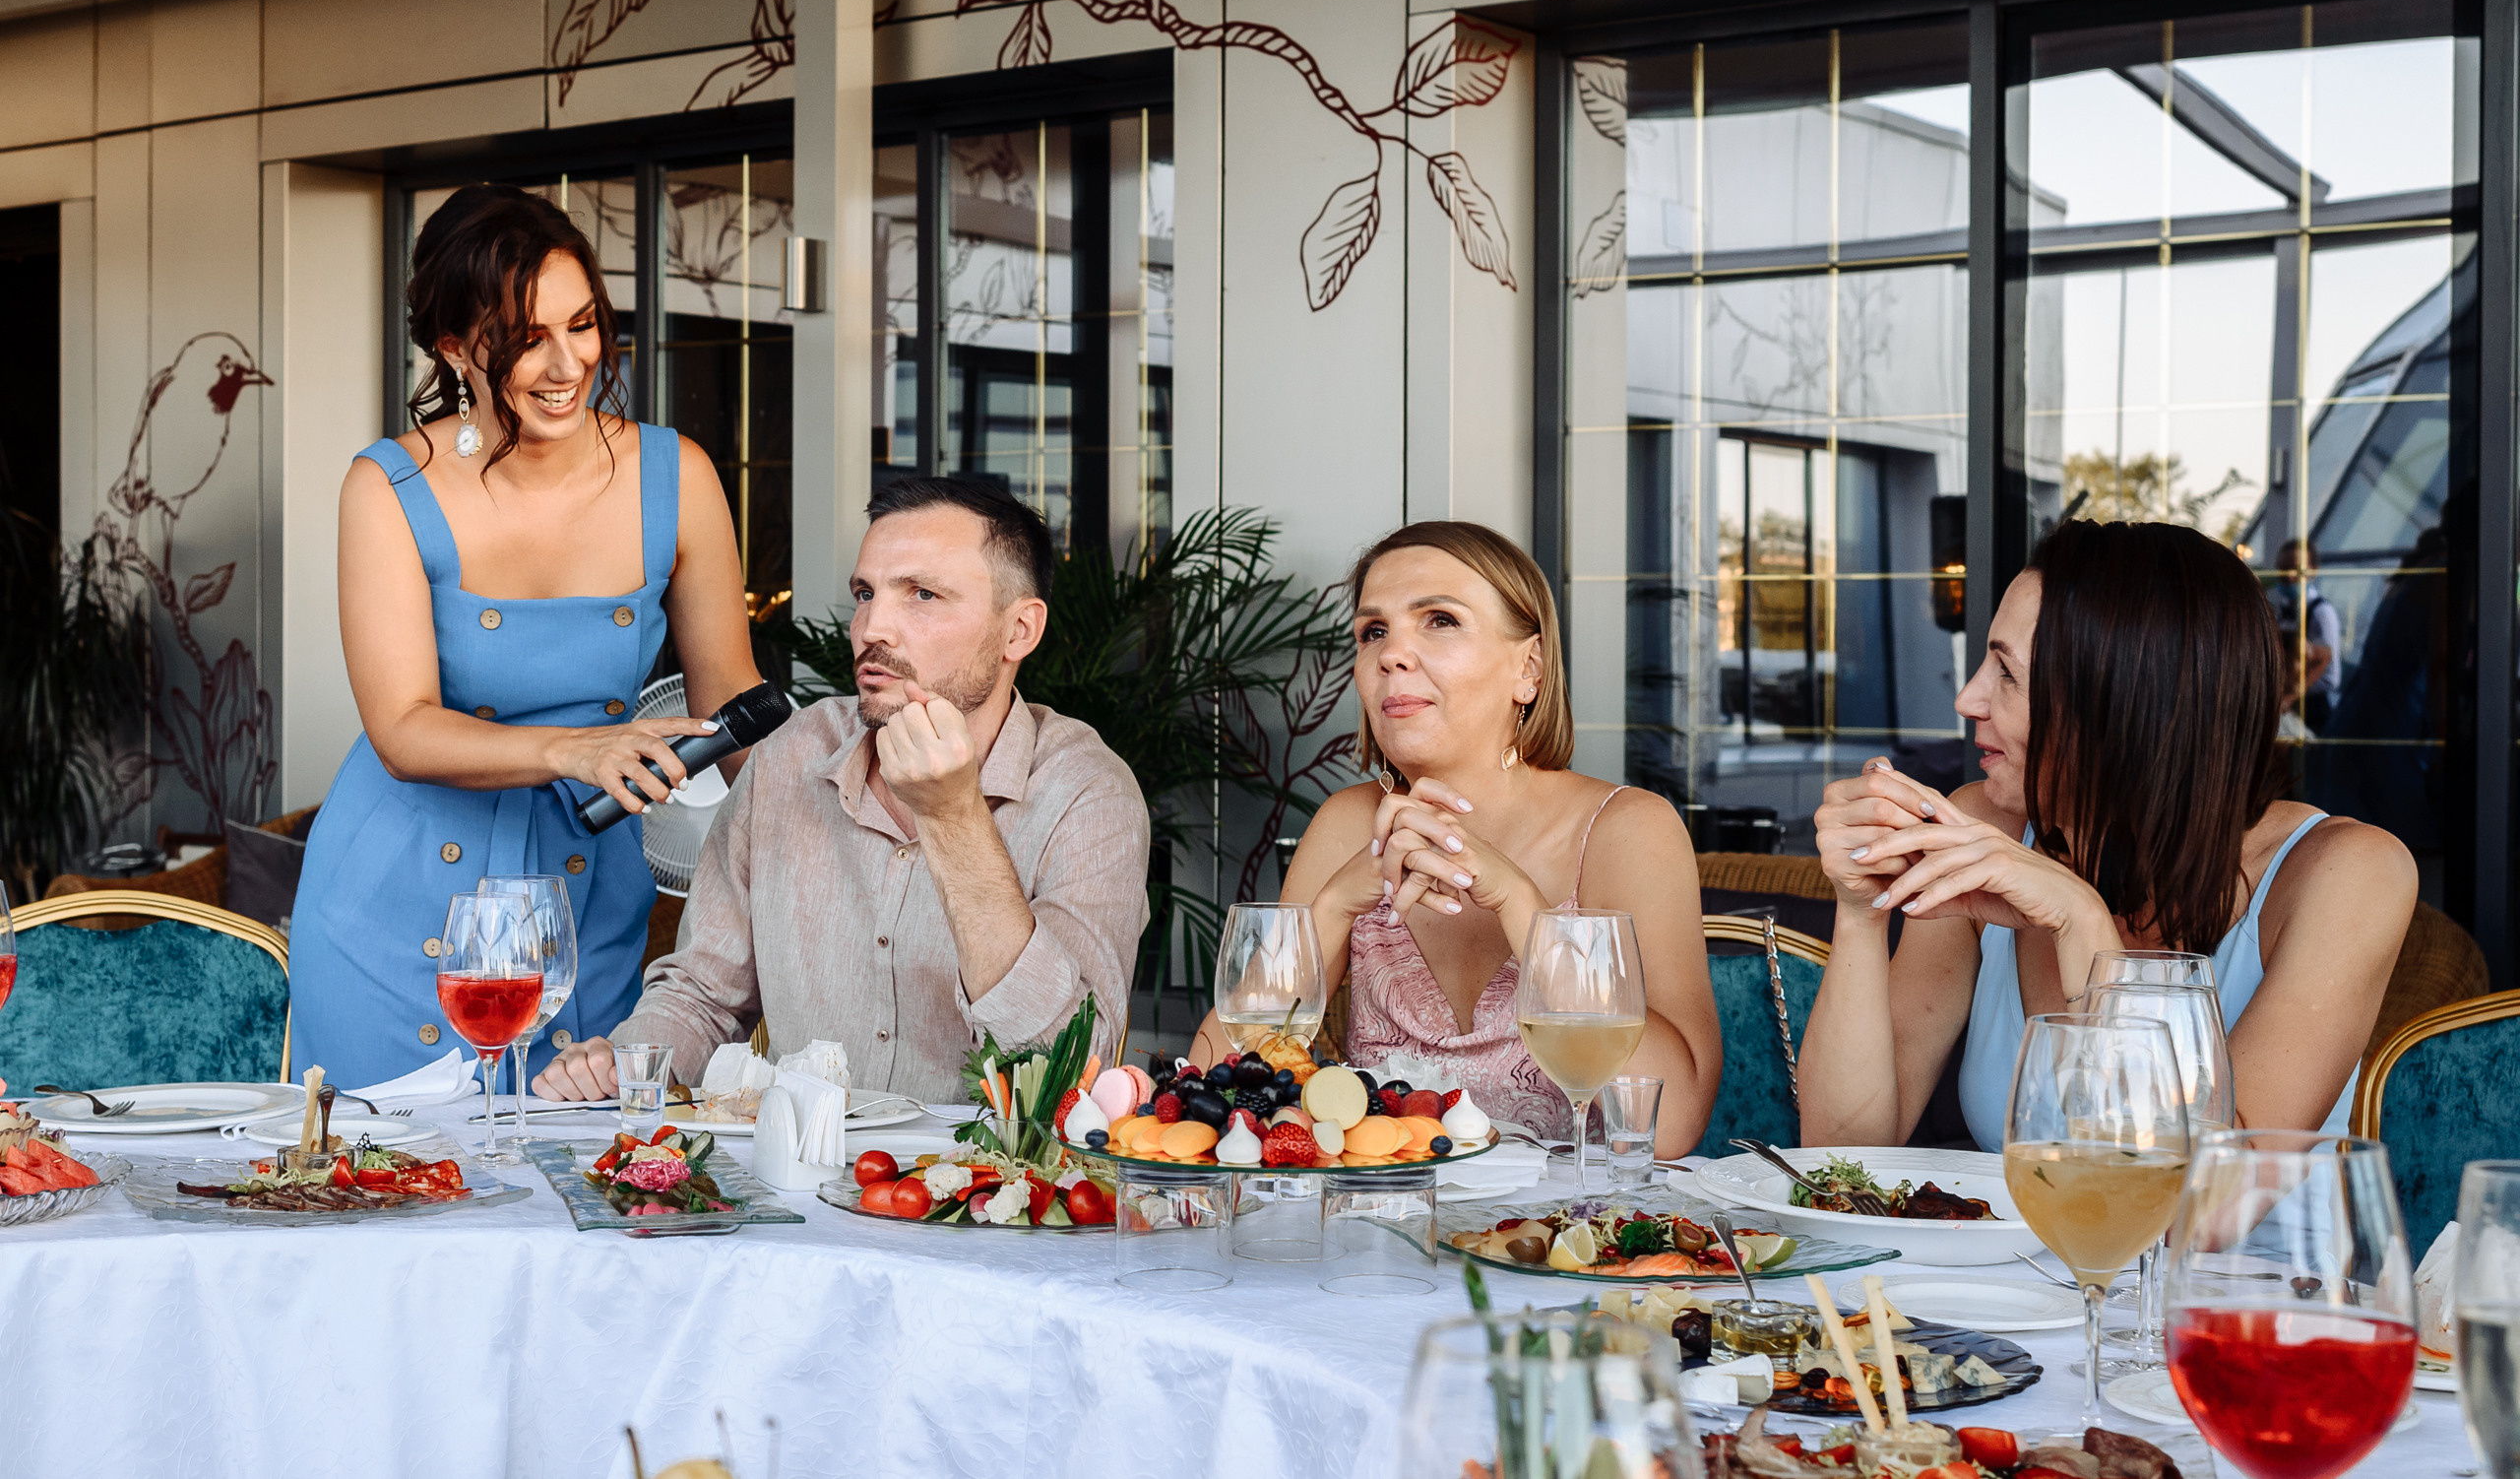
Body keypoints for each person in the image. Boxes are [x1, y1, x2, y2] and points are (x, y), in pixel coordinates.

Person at [290, 184, 760, 1088]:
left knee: (579, 1189)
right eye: (523, 339)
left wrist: (851, 792)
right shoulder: (386, 487)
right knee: (382, 1199)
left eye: (581, 324)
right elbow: (402, 727)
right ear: (456, 347)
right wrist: (576, 749)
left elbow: (729, 699)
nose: (566, 362)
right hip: (397, 908)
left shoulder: (678, 474)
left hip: (586, 896)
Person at [1797, 520, 2417, 1151]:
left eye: (2008, 674)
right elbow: (1842, 1151)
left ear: (2122, 706)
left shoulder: (2346, 873)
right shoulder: (1986, 827)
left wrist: (2084, 927)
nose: (1967, 699)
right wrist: (1860, 910)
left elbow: (2204, 1208)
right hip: (2031, 1256)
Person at [534, 476, 1150, 1105]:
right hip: (793, 1181)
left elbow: (1071, 1070)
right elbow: (702, 993)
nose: (871, 628)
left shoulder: (1088, 793)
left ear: (1018, 631)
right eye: (865, 593)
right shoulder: (788, 755)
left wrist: (955, 817)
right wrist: (629, 1061)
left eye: (923, 595)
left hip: (979, 1192)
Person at [1186, 522, 1721, 1156]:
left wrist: (1518, 902)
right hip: (1384, 1238)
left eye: (1439, 619)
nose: (1391, 653)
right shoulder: (1346, 826)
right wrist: (1332, 907)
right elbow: (1210, 1096)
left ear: (1529, 669)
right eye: (1373, 632)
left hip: (1572, 1242)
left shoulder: (1627, 829)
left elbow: (1671, 1126)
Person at [2275, 537, 2344, 733]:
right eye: (2283, 568)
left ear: (2313, 570)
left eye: (2296, 569)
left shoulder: (2322, 612)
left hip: (2313, 711)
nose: (2288, 575)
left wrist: (2290, 695)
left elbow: (2331, 676)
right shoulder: (2280, 611)